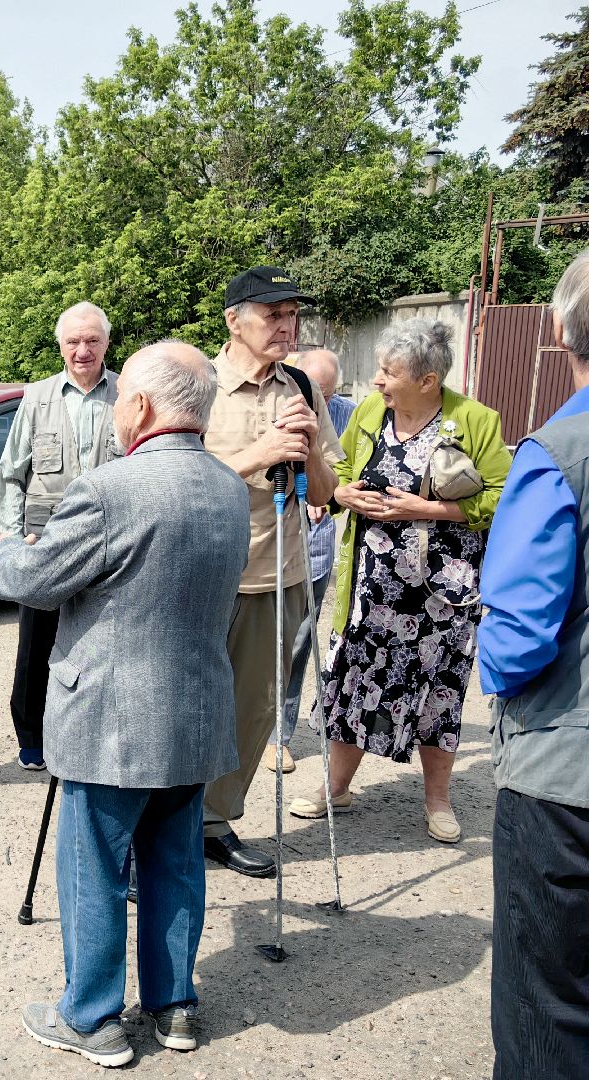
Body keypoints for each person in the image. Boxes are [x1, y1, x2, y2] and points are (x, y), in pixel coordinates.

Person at [0, 341, 248, 1067]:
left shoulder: (111, 489)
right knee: (175, 864)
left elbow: (33, 580)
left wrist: (10, 550)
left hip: (112, 717)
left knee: (93, 868)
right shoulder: (230, 486)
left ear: (137, 407)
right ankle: (175, 1007)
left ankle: (92, 1017)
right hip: (194, 711)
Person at [290, 318, 509, 843]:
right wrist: (343, 497)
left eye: (389, 373)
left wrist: (430, 508)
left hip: (443, 596)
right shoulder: (370, 414)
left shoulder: (475, 420)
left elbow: (502, 497)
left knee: (440, 692)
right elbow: (334, 473)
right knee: (356, 683)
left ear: (428, 381)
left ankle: (438, 801)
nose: (377, 382)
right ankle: (335, 786)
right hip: (372, 586)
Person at [477, 249, 589, 1079]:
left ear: (557, 328)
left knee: (547, 1013)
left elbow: (518, 636)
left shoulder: (554, 452)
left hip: (566, 779)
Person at [200, 267, 342, 877]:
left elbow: (329, 492)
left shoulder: (303, 387)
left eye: (293, 316)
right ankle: (153, 834)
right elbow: (168, 482)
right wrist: (256, 456)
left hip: (277, 575)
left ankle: (212, 820)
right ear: (234, 320)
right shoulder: (194, 382)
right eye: (272, 315)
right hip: (201, 576)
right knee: (181, 709)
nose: (286, 327)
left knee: (253, 710)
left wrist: (308, 446)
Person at [0, 302, 119, 770]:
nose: (82, 350)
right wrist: (11, 537)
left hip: (110, 540)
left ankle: (96, 733)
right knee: (36, 643)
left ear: (106, 343)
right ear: (60, 346)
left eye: (92, 340)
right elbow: (11, 473)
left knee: (103, 641)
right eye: (73, 341)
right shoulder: (38, 397)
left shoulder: (128, 394)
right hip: (44, 543)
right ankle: (31, 737)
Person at [262, 349, 353, 773]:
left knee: (297, 646)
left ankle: (280, 735)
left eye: (330, 392)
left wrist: (327, 487)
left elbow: (346, 476)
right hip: (260, 556)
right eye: (318, 390)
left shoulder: (346, 414)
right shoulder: (272, 400)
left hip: (312, 553)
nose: (323, 398)